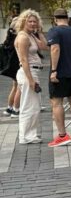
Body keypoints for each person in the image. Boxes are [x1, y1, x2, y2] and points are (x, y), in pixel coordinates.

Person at [47, 8, 71, 148]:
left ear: (55, 19)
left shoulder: (54, 31)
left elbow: (55, 49)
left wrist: (54, 70)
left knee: (57, 103)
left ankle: (62, 136)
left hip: (60, 73)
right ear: (67, 18)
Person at [14, 10, 46, 144]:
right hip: (28, 73)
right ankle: (26, 136)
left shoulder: (31, 35)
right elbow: (24, 60)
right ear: (24, 22)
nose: (33, 23)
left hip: (33, 72)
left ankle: (30, 134)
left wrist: (39, 32)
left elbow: (44, 46)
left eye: (35, 21)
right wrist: (31, 80)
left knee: (34, 106)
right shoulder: (23, 37)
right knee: (29, 106)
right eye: (30, 21)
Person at [2, 18, 20, 116]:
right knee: (18, 88)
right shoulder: (17, 38)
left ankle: (9, 107)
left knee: (15, 87)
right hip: (17, 65)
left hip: (13, 66)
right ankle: (15, 109)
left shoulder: (10, 37)